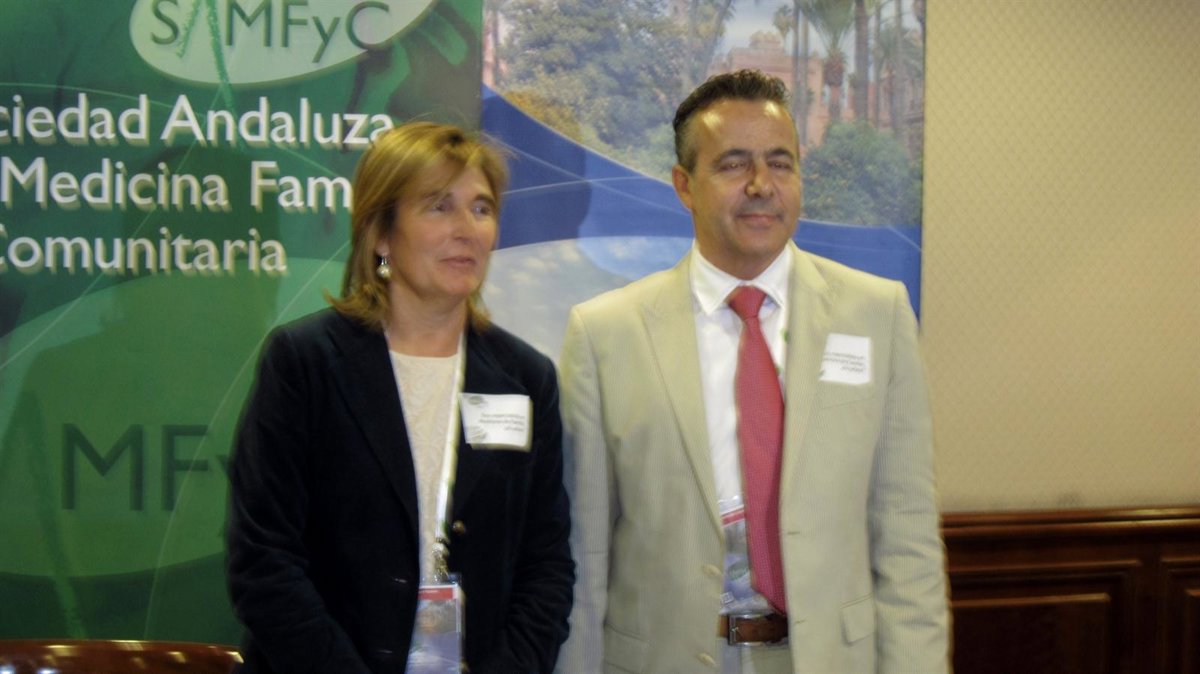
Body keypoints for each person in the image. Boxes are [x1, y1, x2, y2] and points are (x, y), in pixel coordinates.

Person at [556, 70, 950, 673]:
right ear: (684, 185)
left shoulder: (878, 314)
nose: (762, 185)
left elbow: (907, 538)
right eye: (734, 164)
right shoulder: (605, 333)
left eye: (780, 163)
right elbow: (583, 556)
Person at [226, 121, 574, 674]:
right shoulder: (307, 363)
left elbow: (546, 567)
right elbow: (263, 562)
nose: (467, 229)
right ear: (382, 233)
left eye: (481, 208)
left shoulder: (526, 379)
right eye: (439, 207)